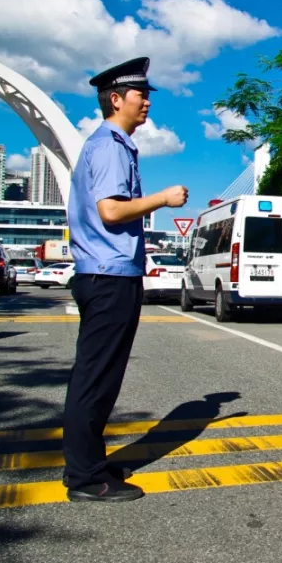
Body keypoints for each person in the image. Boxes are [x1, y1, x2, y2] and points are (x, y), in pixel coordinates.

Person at [63, 57, 188, 502]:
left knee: (100, 377)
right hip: (108, 276)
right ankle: (84, 478)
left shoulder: (110, 144)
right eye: (141, 94)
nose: (147, 101)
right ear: (116, 99)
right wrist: (163, 199)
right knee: (96, 379)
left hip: (106, 274)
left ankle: (91, 464)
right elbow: (112, 210)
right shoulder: (110, 146)